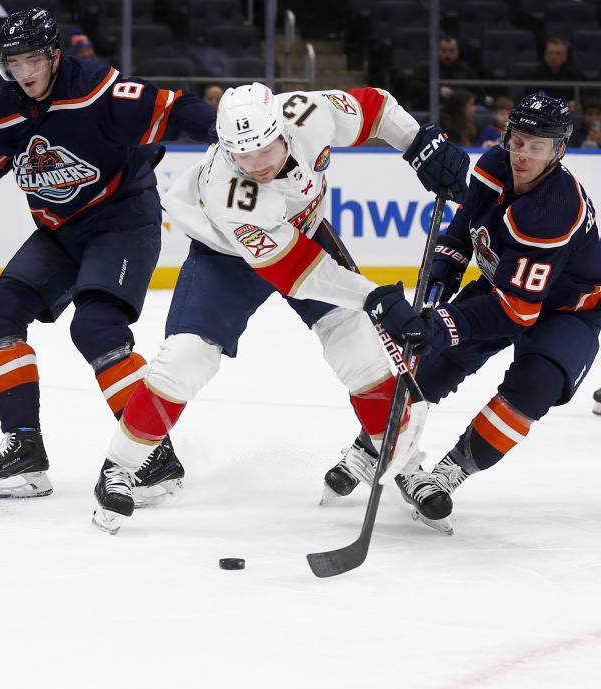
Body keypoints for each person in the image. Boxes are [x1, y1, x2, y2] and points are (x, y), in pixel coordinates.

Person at [89, 82, 470, 534]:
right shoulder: (232, 194)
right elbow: (297, 272)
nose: (257, 165)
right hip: (226, 258)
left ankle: (403, 464)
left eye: (264, 150)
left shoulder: (309, 113)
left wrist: (418, 143)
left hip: (303, 234)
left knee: (362, 352)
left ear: (282, 129)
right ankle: (120, 467)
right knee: (185, 360)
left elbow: (375, 105)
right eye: (242, 156)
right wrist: (372, 297)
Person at [0, 7, 219, 502]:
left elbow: (174, 108)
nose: (24, 72)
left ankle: (153, 454)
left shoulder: (96, 89)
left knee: (96, 328)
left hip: (122, 218)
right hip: (59, 231)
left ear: (55, 55)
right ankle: (25, 451)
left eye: (33, 59)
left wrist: (224, 133)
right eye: (13, 61)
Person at [323, 94, 601, 535]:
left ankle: (451, 470)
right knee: (427, 365)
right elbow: (465, 229)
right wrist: (441, 275)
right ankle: (372, 445)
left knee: (535, 385)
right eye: (518, 140)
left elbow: (516, 312)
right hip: (503, 287)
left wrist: (444, 325)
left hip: (566, 309)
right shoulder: (493, 165)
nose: (523, 153)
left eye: (538, 146)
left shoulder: (553, 210)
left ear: (559, 151)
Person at [534, 38, 584, 110]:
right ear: (545, 56)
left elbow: (583, 96)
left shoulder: (574, 75)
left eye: (558, 53)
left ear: (565, 57)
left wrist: (576, 103)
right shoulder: (535, 74)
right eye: (550, 52)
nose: (553, 57)